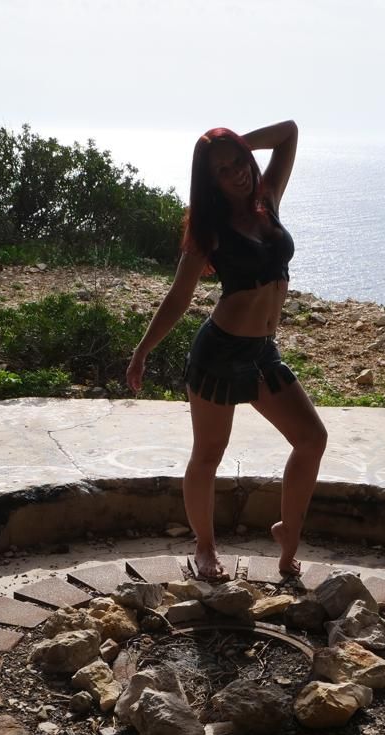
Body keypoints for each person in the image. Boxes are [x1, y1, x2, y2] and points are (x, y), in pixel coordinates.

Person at [126, 120, 327, 582]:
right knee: (208, 455)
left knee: (311, 439)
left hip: (262, 352)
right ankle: (205, 547)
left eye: (239, 162)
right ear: (210, 180)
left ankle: (288, 532)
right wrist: (142, 351)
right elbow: (178, 297)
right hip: (219, 354)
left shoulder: (268, 199)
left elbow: (289, 132)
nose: (236, 172)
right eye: (222, 170)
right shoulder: (209, 230)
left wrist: (235, 144)